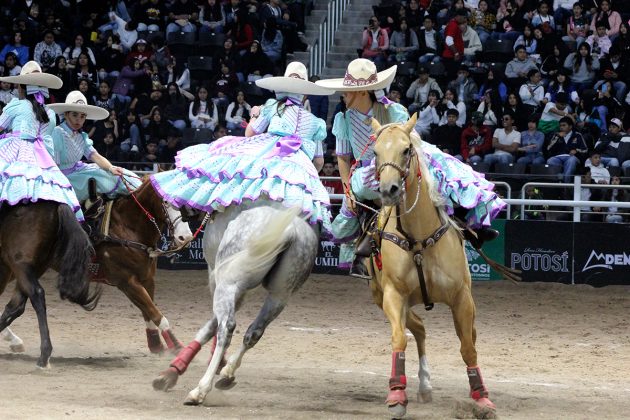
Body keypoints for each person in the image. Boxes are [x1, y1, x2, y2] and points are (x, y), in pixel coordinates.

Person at [315, 59, 505, 275]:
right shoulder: (344, 119)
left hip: (399, 160)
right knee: (361, 192)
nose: (343, 95)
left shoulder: (393, 111)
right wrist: (347, 189)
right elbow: (343, 158)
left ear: (362, 92)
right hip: (369, 168)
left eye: (348, 91)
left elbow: (410, 144)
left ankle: (470, 226)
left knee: (445, 171)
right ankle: (366, 247)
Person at [150, 62, 335, 233]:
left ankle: (213, 206)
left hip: (269, 148)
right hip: (299, 163)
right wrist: (308, 174)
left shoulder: (272, 106)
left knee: (231, 167)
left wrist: (255, 114)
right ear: (304, 93)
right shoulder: (315, 122)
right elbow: (319, 161)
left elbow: (250, 133)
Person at [0, 61, 83, 220]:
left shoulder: (16, 105)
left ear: (21, 87)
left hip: (15, 148)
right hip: (41, 155)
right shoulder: (50, 113)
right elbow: (46, 142)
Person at [49, 91, 143, 219]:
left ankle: (143, 192)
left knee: (119, 172)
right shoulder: (58, 132)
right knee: (98, 176)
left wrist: (111, 168)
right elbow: (54, 165)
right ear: (66, 114)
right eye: (74, 115)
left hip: (79, 170)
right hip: (63, 177)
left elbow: (95, 156)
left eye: (82, 116)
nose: (78, 119)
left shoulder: (82, 136)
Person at [546, 117, 588, 183]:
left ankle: (566, 185)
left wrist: (576, 150)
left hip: (571, 157)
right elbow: (548, 148)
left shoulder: (577, 135)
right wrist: (557, 137)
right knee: (550, 161)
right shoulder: (556, 135)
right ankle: (556, 184)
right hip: (558, 157)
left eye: (564, 125)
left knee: (571, 160)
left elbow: (585, 149)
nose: (561, 127)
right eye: (560, 126)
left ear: (570, 126)